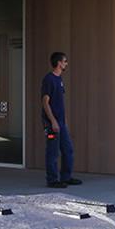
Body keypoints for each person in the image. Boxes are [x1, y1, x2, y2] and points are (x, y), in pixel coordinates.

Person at [42, 52, 81, 188]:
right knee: (53, 152)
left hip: (61, 123)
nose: (66, 63)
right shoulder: (49, 79)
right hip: (52, 123)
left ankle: (66, 177)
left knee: (68, 149)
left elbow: (60, 103)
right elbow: (45, 102)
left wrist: (64, 121)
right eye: (65, 61)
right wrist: (52, 121)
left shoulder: (59, 79)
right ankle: (52, 180)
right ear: (59, 63)